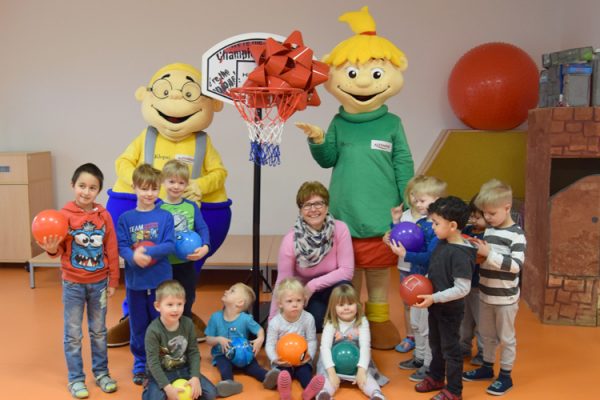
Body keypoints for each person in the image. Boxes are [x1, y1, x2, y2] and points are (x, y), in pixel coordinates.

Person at [296, 5, 414, 349]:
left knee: (378, 272)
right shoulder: (339, 122)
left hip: (381, 214)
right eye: (351, 74)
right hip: (345, 213)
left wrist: (408, 204)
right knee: (348, 274)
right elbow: (327, 160)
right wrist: (317, 139)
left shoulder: (392, 124)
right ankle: (353, 322)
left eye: (374, 74)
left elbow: (403, 165)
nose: (362, 82)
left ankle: (377, 320)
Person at [106, 62, 232, 348]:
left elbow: (220, 173)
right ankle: (134, 319)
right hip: (147, 218)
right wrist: (142, 184)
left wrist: (199, 185)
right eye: (165, 92)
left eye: (189, 94)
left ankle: (182, 317)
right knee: (144, 271)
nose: (175, 101)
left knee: (185, 274)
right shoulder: (146, 136)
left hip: (184, 220)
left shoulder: (203, 141)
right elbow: (122, 163)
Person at [37, 163, 120, 399]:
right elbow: (59, 249)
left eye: (92, 187)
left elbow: (111, 249)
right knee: (73, 334)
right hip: (73, 284)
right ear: (73, 185)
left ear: (99, 191)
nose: (86, 191)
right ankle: (75, 379)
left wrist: (113, 279)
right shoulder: (63, 216)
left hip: (99, 284)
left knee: (99, 331)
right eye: (82, 186)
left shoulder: (104, 216)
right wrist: (52, 250)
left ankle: (102, 373)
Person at [463, 179, 526, 396]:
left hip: (505, 299)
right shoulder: (489, 231)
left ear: (507, 208)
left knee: (506, 338)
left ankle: (506, 376)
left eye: (491, 213)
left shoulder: (516, 234)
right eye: (484, 213)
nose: (487, 218)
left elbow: (516, 266)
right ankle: (487, 367)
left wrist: (489, 254)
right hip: (485, 293)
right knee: (486, 334)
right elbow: (486, 260)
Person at [410, 196, 476, 400]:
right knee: (435, 344)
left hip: (450, 311)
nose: (433, 227)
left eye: (436, 223)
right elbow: (436, 270)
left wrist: (435, 297)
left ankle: (454, 391)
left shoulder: (461, 253)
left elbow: (462, 288)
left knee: (451, 350)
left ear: (453, 225)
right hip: (435, 306)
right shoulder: (441, 242)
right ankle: (436, 377)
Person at [269, 181, 354, 333]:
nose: (313, 209)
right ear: (300, 210)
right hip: (306, 296)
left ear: (327, 207)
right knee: (315, 322)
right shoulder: (291, 240)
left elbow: (346, 271)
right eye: (307, 205)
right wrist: (272, 323)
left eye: (319, 204)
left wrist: (312, 285)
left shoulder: (340, 229)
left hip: (331, 289)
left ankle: (348, 335)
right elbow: (283, 283)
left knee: (345, 288)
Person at [117, 164, 175, 385]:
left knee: (161, 324)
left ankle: (162, 362)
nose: (149, 194)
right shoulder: (126, 218)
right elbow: (121, 246)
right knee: (139, 325)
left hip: (161, 284)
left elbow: (169, 245)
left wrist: (147, 252)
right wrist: (133, 257)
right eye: (144, 189)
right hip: (135, 284)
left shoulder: (165, 217)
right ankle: (141, 364)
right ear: (134, 188)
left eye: (153, 189)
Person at [387, 176, 446, 382]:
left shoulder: (439, 228)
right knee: (416, 322)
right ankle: (419, 358)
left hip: (430, 281)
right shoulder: (421, 222)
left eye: (422, 200)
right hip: (416, 278)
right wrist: (395, 223)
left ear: (436, 199)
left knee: (427, 325)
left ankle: (429, 365)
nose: (417, 204)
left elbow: (429, 256)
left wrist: (406, 255)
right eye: (416, 200)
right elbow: (408, 239)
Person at [160, 159, 211, 340]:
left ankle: (186, 335)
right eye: (171, 181)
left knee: (187, 298)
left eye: (181, 183)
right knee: (166, 300)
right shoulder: (158, 207)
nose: (176, 186)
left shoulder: (191, 207)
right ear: (163, 182)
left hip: (186, 264)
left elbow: (203, 228)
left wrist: (205, 246)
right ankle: (166, 336)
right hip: (164, 265)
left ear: (186, 184)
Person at [143, 280, 216, 400]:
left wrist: (195, 377)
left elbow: (193, 352)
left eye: (179, 304)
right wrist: (168, 388)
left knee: (211, 394)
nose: (175, 309)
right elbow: (153, 363)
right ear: (157, 306)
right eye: (170, 305)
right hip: (162, 372)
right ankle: (149, 388)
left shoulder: (188, 324)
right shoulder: (153, 330)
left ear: (184, 304)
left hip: (184, 369)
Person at [205, 283, 279, 397]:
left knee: (254, 368)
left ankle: (269, 378)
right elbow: (208, 339)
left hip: (244, 354)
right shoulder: (215, 317)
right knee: (224, 367)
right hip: (223, 354)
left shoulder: (245, 319)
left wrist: (260, 339)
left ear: (240, 303)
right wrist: (219, 339)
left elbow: (260, 330)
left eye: (232, 291)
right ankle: (229, 384)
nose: (226, 290)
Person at [316, 284, 388, 400]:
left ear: (357, 304)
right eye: (341, 305)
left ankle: (376, 394)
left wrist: (361, 370)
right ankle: (324, 394)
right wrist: (332, 372)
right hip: (333, 363)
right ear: (333, 307)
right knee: (326, 378)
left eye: (350, 304)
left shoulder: (362, 321)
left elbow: (365, 347)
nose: (346, 308)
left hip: (357, 362)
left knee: (366, 377)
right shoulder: (330, 323)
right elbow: (325, 348)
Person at [266, 278, 325, 400]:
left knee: (305, 373)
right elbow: (270, 345)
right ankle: (285, 392)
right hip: (283, 359)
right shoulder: (275, 322)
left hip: (302, 358)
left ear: (304, 300)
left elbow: (312, 340)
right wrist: (275, 359)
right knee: (284, 374)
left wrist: (309, 355)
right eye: (289, 301)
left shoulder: (308, 318)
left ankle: (309, 391)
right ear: (280, 303)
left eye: (299, 300)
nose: (295, 304)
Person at [390, 175, 426, 354]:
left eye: (420, 196)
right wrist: (395, 221)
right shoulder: (404, 216)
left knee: (423, 303)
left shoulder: (430, 219)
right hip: (404, 266)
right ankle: (410, 336)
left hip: (422, 266)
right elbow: (395, 236)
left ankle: (423, 337)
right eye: (412, 194)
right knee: (407, 302)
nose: (416, 200)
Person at [459, 196, 486, 366]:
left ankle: (484, 351)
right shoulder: (467, 231)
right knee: (464, 319)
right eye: (473, 217)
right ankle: (463, 346)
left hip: (480, 286)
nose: (475, 221)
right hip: (464, 283)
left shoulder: (488, 235)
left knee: (481, 320)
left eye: (479, 217)